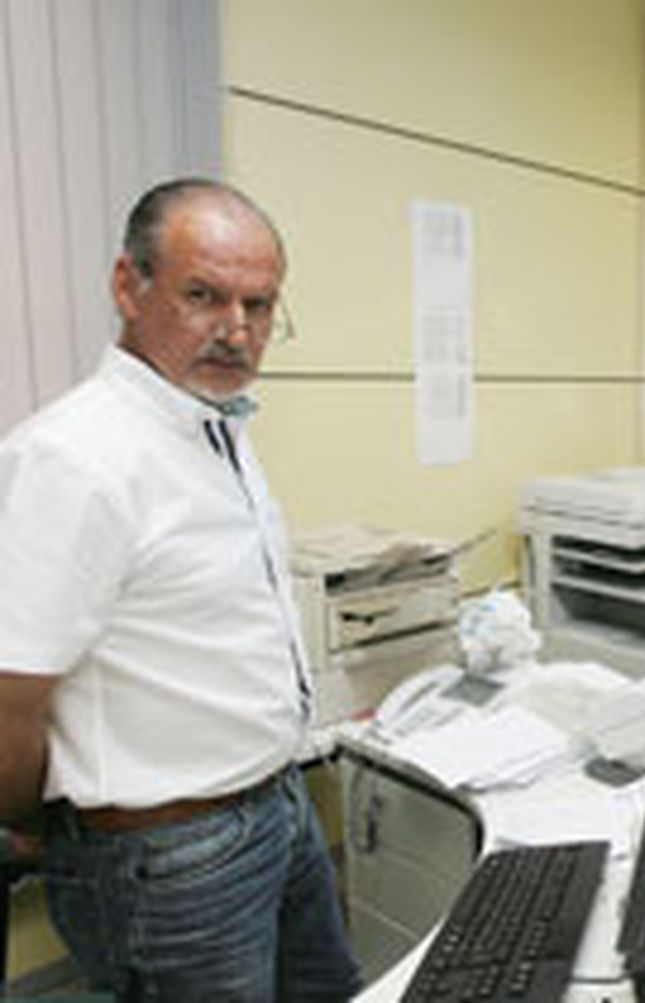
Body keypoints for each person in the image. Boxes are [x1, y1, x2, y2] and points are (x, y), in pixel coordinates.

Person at [0, 179, 362, 1000]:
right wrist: (35, 822)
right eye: (203, 296)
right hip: (170, 856)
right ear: (128, 287)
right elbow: (10, 696)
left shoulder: (212, 423)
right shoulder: (74, 458)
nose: (237, 331)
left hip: (277, 805)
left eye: (260, 306)